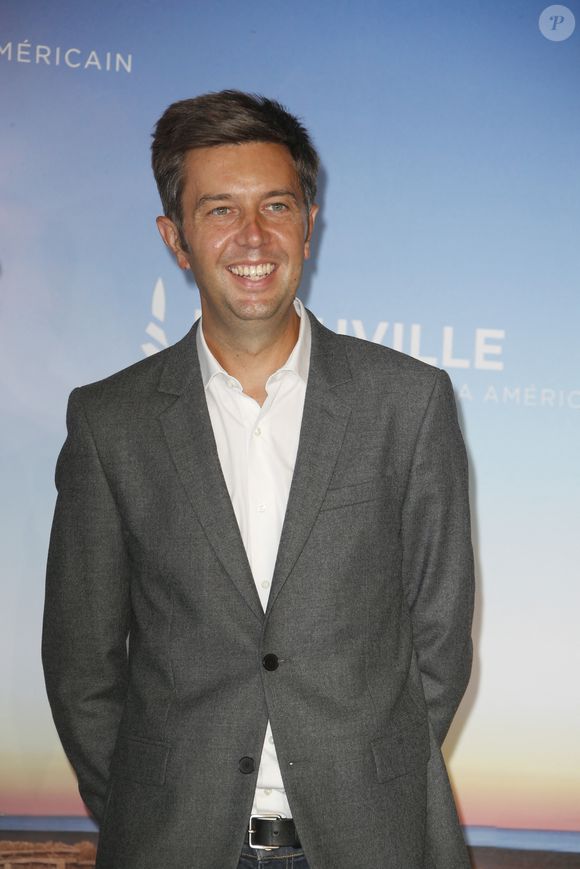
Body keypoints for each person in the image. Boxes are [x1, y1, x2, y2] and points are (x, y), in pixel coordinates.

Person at [42, 90, 475, 869]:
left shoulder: (408, 402)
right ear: (175, 238)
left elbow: (439, 639)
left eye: (277, 205)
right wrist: (154, 808)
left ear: (309, 222)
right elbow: (82, 665)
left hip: (371, 843)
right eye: (218, 210)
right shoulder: (111, 423)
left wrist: (366, 780)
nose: (253, 236)